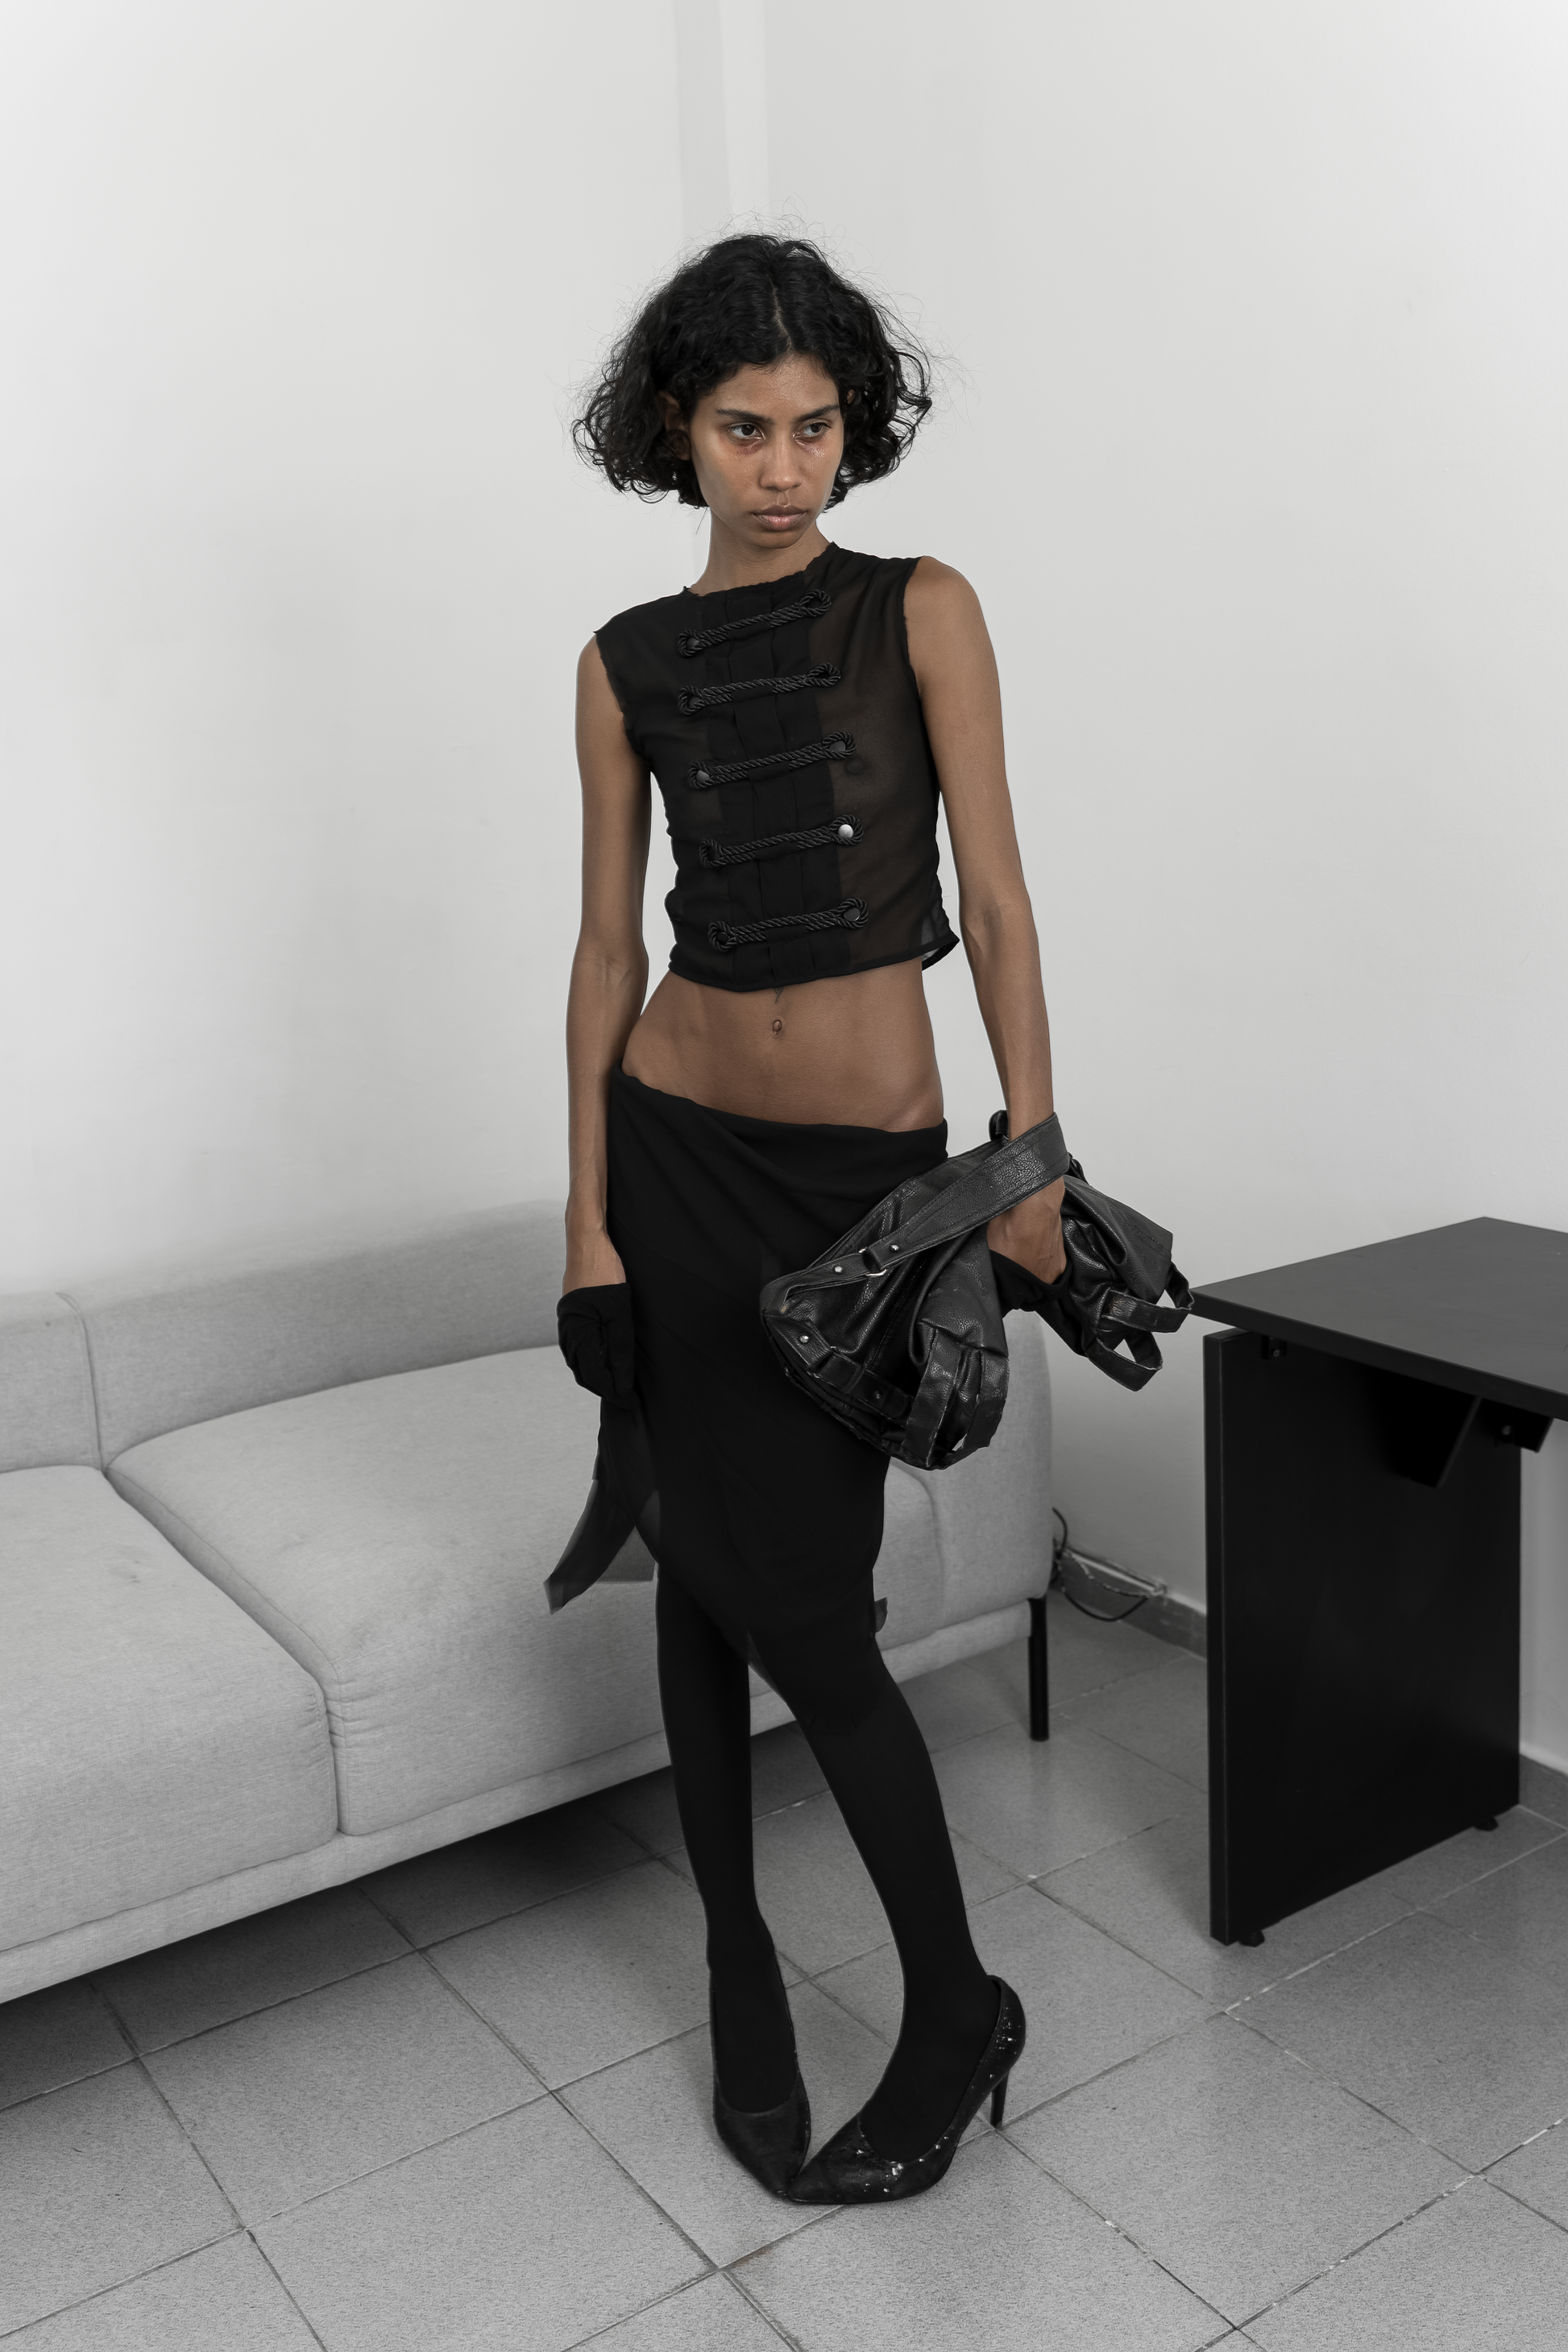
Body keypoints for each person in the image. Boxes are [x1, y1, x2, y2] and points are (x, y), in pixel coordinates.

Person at [563, 233, 1065, 2204]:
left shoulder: (920, 607)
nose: (784, 468)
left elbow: (997, 900)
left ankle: (956, 2007)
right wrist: (589, 1224)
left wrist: (1029, 1160)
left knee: (808, 1615)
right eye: (742, 428)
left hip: (857, 1190)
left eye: (816, 426)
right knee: (699, 1573)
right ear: (673, 434)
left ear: (855, 429)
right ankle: (739, 1966)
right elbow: (606, 952)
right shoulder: (621, 661)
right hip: (673, 1157)